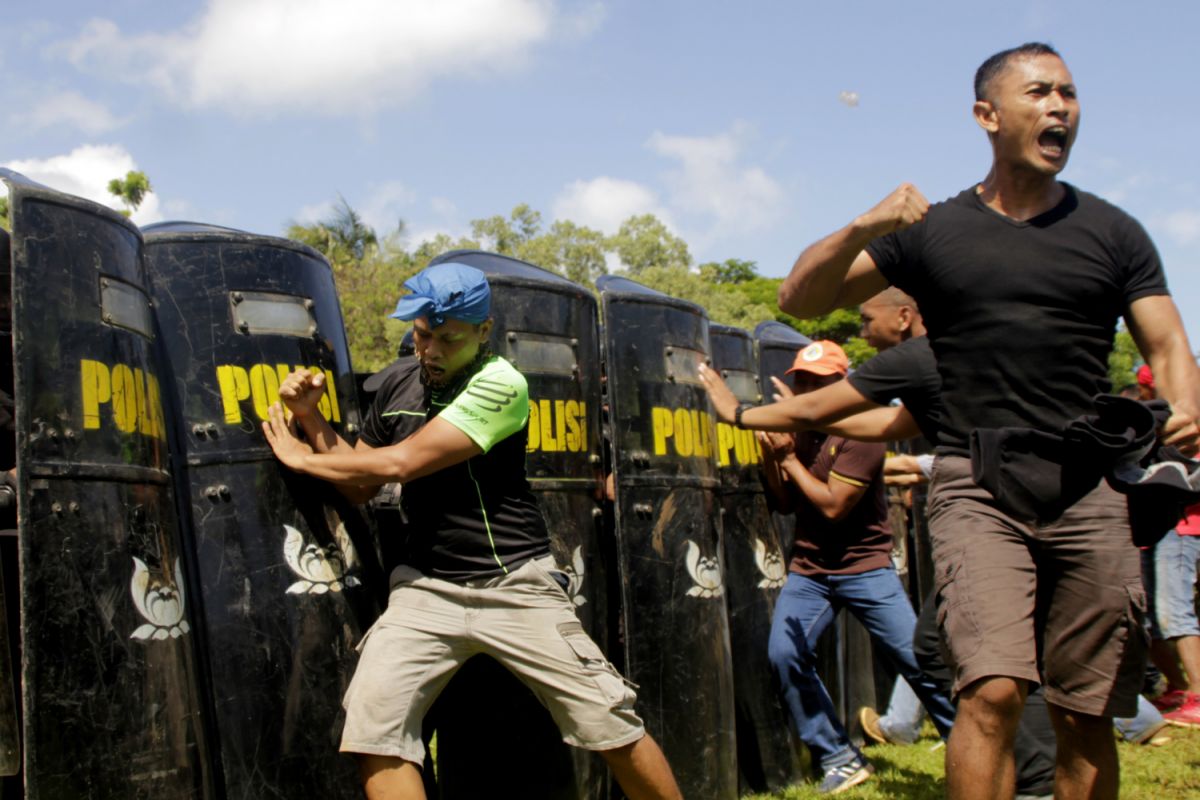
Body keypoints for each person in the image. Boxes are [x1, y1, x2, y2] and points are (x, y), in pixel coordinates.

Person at [775, 42, 1200, 799]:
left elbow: (1166, 342)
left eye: (1069, 94)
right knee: (992, 691)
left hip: (1091, 481)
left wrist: (1188, 405)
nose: (1061, 107)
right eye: (1040, 92)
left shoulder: (1115, 232)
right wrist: (866, 224)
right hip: (977, 481)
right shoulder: (933, 231)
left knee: (1087, 708)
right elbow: (800, 298)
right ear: (987, 115)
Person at [261, 262, 681, 800]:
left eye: (449, 339)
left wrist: (300, 456)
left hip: (514, 583)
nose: (431, 350)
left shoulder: (502, 384)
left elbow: (402, 463)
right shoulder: (394, 383)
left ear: (483, 332)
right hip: (425, 589)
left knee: (609, 722)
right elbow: (362, 484)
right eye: (423, 335)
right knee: (374, 731)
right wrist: (313, 421)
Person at [754, 339, 955, 795]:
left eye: (818, 382)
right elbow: (784, 504)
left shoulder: (863, 434)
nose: (807, 388)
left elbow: (831, 507)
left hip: (865, 570)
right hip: (810, 571)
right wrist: (772, 455)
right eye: (801, 381)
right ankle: (838, 756)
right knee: (785, 656)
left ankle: (969, 741)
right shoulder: (801, 427)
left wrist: (786, 458)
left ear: (841, 384)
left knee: (919, 663)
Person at [1136, 366, 1200, 727]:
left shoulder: (1185, 419)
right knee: (1153, 615)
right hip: (1156, 528)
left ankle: (1198, 695)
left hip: (1182, 526)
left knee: (1174, 611)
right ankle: (1178, 687)